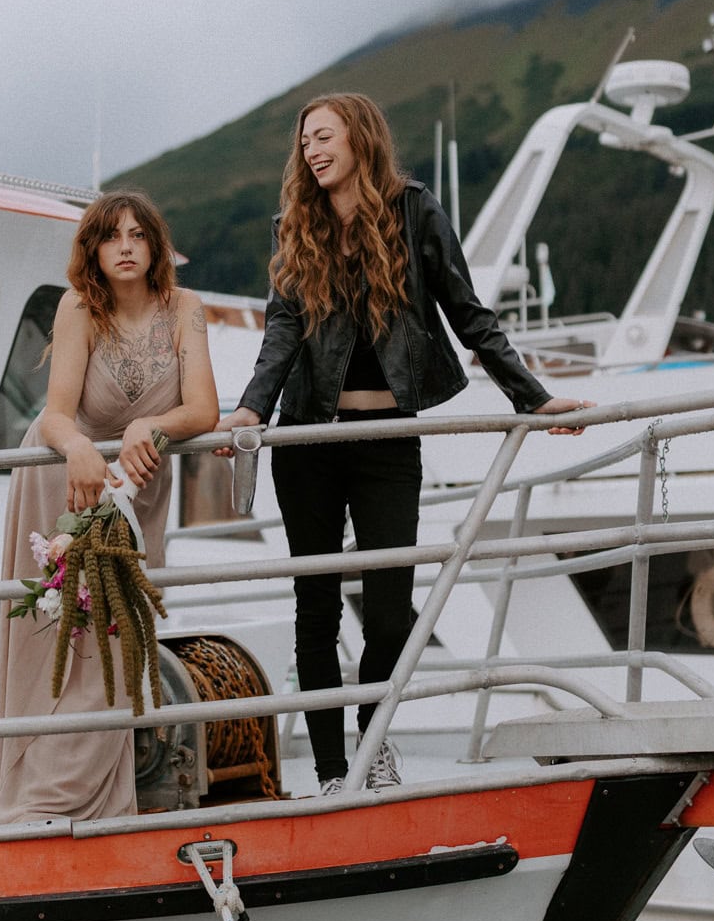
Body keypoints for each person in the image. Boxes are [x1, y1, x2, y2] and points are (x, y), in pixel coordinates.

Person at [218, 93, 591, 797]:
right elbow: (281, 330)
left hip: (389, 436)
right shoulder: (293, 224)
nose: (311, 151)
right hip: (307, 437)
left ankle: (371, 740)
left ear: (359, 137)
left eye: (322, 137)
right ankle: (332, 773)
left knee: (392, 609)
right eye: (304, 143)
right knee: (317, 606)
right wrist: (248, 410)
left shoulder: (414, 210)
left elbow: (466, 311)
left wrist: (532, 400)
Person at [0, 190, 219, 825]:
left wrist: (151, 427)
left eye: (139, 236)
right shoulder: (79, 308)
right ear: (94, 248)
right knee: (62, 630)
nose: (125, 247)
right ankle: (43, 792)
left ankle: (95, 790)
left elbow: (203, 410)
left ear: (155, 248)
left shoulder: (185, 310)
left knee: (119, 633)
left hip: (138, 487)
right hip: (68, 479)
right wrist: (83, 449)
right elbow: (55, 415)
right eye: (112, 236)